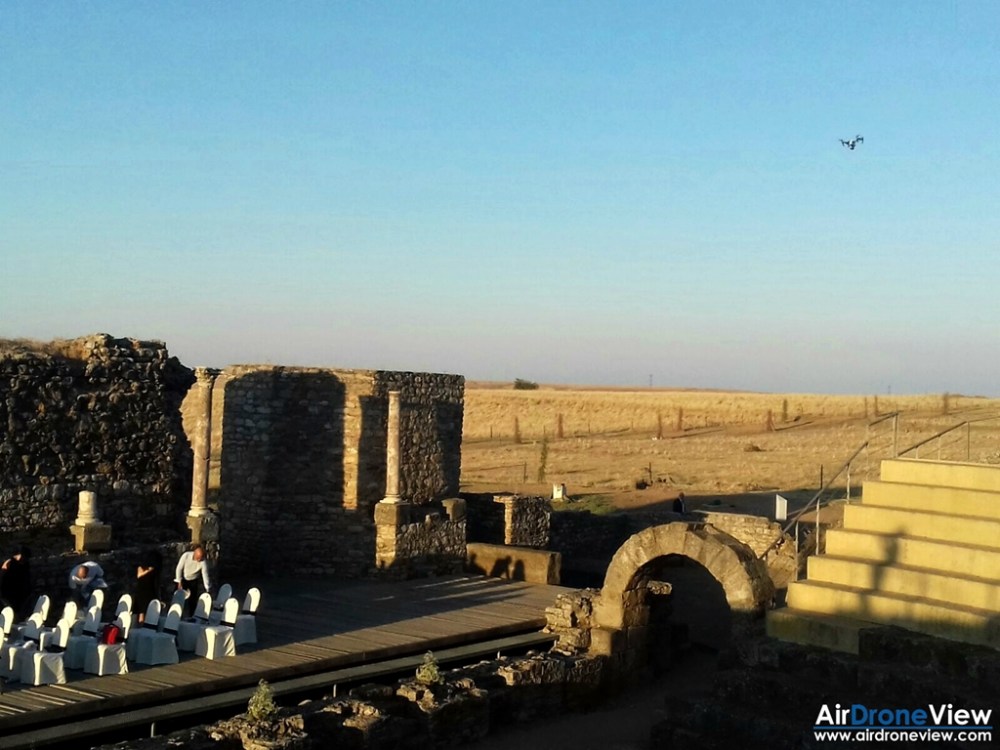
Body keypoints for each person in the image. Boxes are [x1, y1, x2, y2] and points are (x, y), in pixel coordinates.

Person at [175, 545, 211, 617]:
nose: (199, 560)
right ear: (194, 554)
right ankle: (176, 615)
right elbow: (179, 568)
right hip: (183, 579)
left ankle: (191, 616)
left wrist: (207, 588)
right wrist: (179, 581)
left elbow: (205, 574)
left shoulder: (203, 562)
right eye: (198, 558)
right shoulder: (186, 556)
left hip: (194, 580)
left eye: (200, 558)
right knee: (179, 598)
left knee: (192, 600)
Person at [1, 546, 32, 620]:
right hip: (8, 592)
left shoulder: (25, 564)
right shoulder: (9, 563)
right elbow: (2, 575)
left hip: (20, 593)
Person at [133, 550, 161, 624]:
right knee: (141, 610)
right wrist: (148, 570)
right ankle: (140, 624)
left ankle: (144, 625)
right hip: (142, 591)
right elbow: (139, 575)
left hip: (148, 591)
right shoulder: (142, 568)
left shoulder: (155, 570)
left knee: (146, 610)